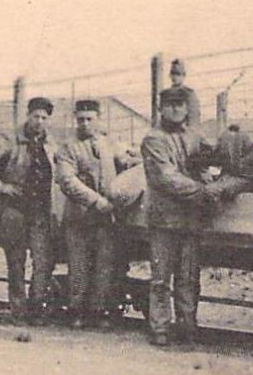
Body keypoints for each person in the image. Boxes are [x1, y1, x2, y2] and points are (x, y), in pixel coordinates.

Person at [141, 87, 236, 347]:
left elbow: (213, 154)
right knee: (161, 278)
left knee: (188, 277)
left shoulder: (194, 136)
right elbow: (165, 177)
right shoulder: (154, 139)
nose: (174, 109)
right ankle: (160, 328)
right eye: (169, 105)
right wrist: (204, 190)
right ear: (161, 109)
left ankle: (187, 326)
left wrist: (233, 144)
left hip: (190, 219)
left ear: (186, 108)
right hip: (164, 220)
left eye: (179, 105)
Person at [56, 98, 138, 328]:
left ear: (98, 119)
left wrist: (139, 158)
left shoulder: (108, 143)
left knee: (105, 265)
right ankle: (76, 312)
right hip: (79, 217)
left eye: (89, 119)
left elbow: (124, 161)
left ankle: (100, 311)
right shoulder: (67, 148)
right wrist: (95, 201)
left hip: (106, 218)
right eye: (80, 119)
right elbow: (67, 180)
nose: (84, 124)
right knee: (79, 266)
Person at [0, 97, 58, 321]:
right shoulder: (10, 139)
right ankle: (18, 309)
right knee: (15, 261)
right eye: (35, 116)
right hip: (14, 209)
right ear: (28, 116)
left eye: (44, 118)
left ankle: (37, 307)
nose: (39, 121)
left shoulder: (51, 143)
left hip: (41, 210)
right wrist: (1, 187)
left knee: (43, 261)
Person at [166, 59, 202, 127]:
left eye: (178, 74)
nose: (175, 77)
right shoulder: (165, 95)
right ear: (170, 75)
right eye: (173, 74)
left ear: (183, 75)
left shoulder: (189, 94)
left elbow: (193, 118)